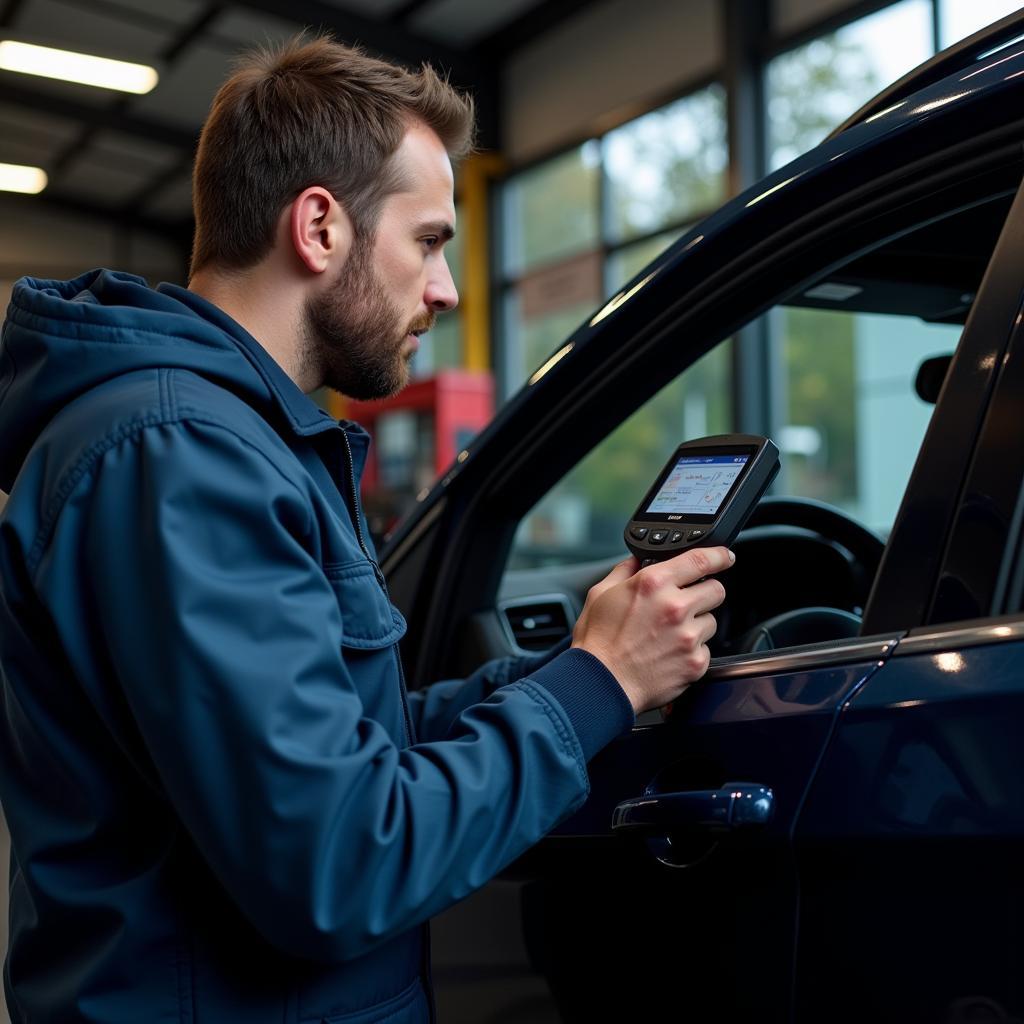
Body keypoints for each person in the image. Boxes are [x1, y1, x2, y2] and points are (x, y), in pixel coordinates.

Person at [0, 35, 731, 1023]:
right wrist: (596, 686)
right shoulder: (177, 456)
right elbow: (340, 861)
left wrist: (586, 665)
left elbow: (343, 749)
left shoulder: (234, 442)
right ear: (319, 227)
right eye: (429, 240)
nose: (447, 290)